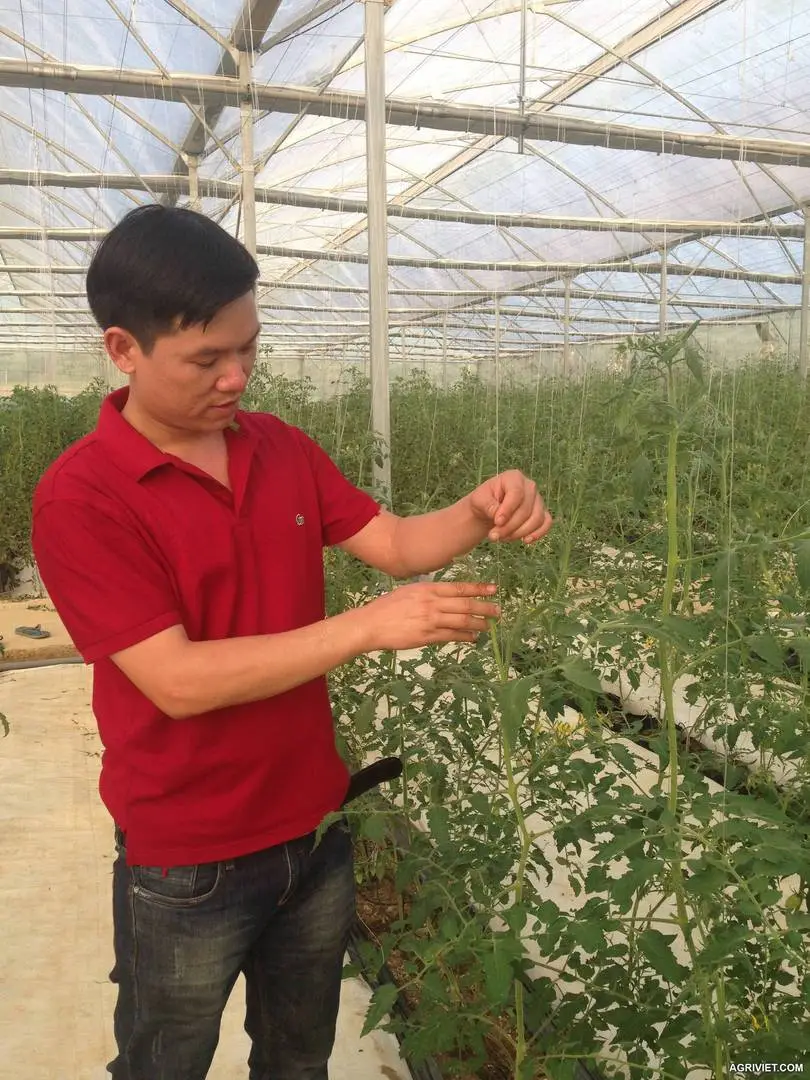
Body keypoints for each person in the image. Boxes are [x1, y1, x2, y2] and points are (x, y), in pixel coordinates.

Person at [31, 205, 553, 1080]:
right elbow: (176, 680)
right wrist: (364, 628)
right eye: (207, 358)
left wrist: (479, 507)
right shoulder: (82, 497)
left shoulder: (278, 447)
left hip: (315, 830)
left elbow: (395, 544)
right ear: (123, 349)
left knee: (298, 1059)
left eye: (249, 348)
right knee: (164, 1063)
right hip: (187, 857)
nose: (236, 377)